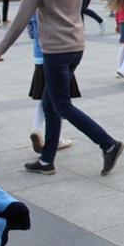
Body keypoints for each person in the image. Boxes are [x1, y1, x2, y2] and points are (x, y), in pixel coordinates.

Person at [0, 0, 124, 176]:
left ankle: (108, 144)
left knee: (61, 105)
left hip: (54, 50)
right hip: (76, 47)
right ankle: (46, 160)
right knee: (50, 102)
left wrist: (1, 48)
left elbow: (22, 16)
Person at [27, 12, 74, 153]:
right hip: (56, 55)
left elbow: (30, 32)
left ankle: (36, 128)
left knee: (44, 98)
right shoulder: (52, 5)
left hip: (38, 56)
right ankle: (57, 139)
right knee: (59, 99)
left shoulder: (33, 6)